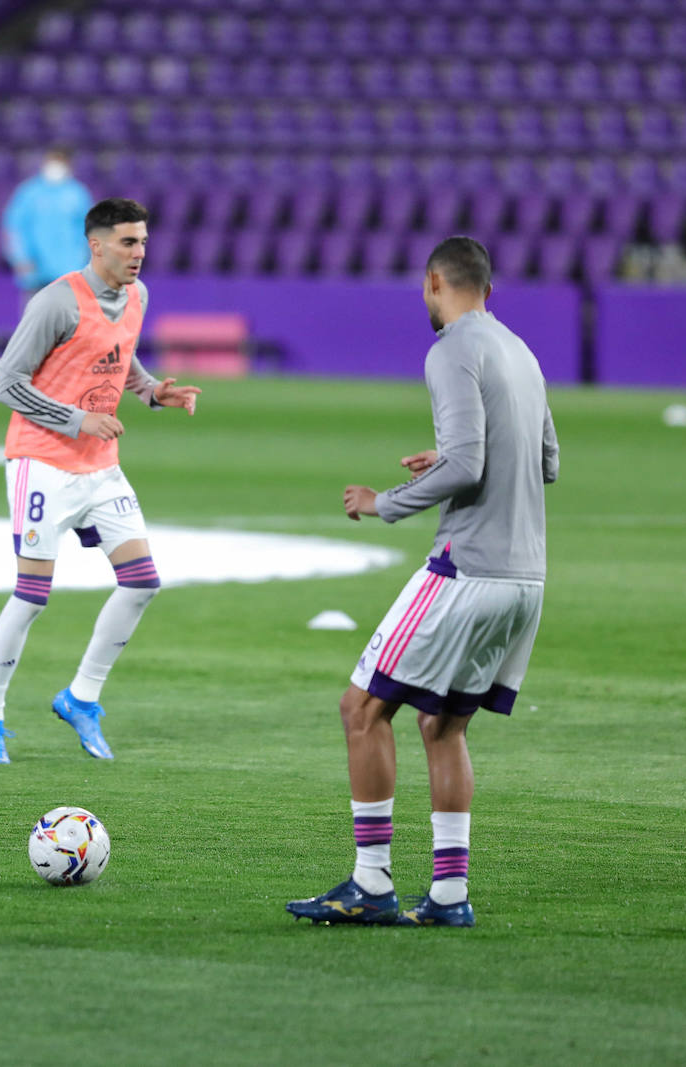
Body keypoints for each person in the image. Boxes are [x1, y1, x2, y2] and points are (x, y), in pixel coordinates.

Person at [287, 236, 559, 927]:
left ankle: (371, 881)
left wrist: (385, 501)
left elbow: (468, 466)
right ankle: (446, 895)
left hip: (467, 567)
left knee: (362, 709)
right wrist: (450, 456)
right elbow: (545, 460)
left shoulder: (450, 351)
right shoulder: (521, 353)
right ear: (488, 290)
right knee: (442, 725)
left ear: (434, 282)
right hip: (526, 578)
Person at [0, 197, 202, 764]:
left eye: (143, 241)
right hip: (42, 462)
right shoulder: (56, 301)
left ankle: (81, 698)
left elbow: (118, 357)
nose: (140, 253)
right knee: (31, 596)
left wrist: (151, 391)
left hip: (100, 465)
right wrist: (77, 419)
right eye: (128, 242)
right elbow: (7, 383)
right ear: (96, 245)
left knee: (143, 581)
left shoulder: (137, 296)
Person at [1, 148, 93, 305]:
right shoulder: (29, 192)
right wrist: (20, 258)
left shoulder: (77, 193)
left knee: (68, 323)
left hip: (69, 272)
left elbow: (91, 229)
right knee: (36, 323)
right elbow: (13, 228)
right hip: (35, 271)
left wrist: (85, 261)